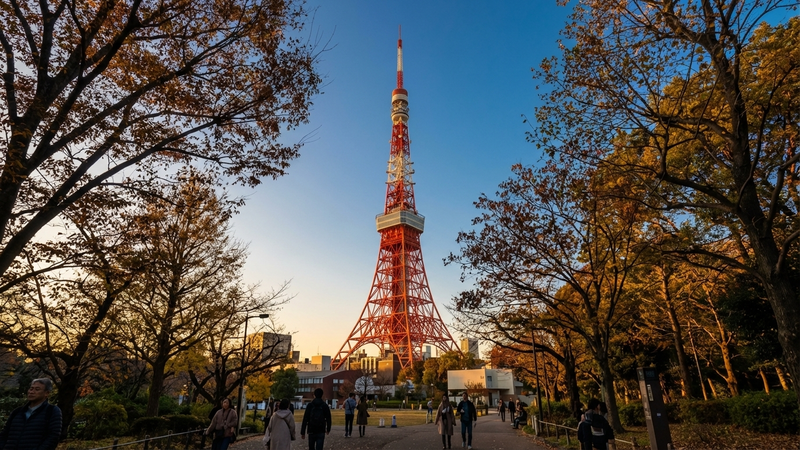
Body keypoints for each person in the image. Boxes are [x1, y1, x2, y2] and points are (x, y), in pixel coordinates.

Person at [0, 378, 62, 450]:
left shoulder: (52, 411)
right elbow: (4, 434)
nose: (32, 392)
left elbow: (53, 437)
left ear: (46, 393)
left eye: (37, 389)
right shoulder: (17, 412)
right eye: (31, 388)